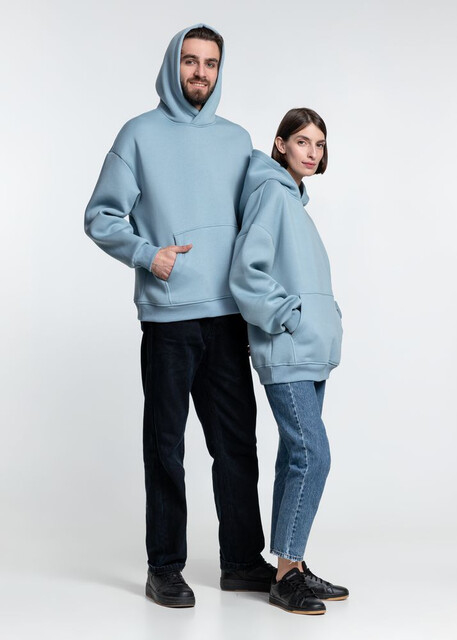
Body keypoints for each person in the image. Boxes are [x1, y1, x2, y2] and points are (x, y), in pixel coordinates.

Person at [84, 24, 274, 609]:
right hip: (168, 320)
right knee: (166, 445)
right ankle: (164, 567)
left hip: (228, 317)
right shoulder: (138, 134)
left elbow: (265, 210)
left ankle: (242, 561)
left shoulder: (237, 139)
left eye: (210, 64)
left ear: (220, 70)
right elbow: (100, 216)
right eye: (191, 61)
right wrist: (148, 254)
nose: (200, 73)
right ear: (173, 64)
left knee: (237, 444)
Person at [229, 108, 349, 615]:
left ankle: (291, 564)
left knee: (295, 457)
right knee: (312, 455)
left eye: (319, 144)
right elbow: (246, 271)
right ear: (280, 144)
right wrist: (289, 316)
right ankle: (285, 577)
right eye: (302, 141)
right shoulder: (271, 195)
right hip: (288, 349)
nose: (312, 151)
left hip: (311, 351)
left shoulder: (296, 202)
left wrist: (326, 318)